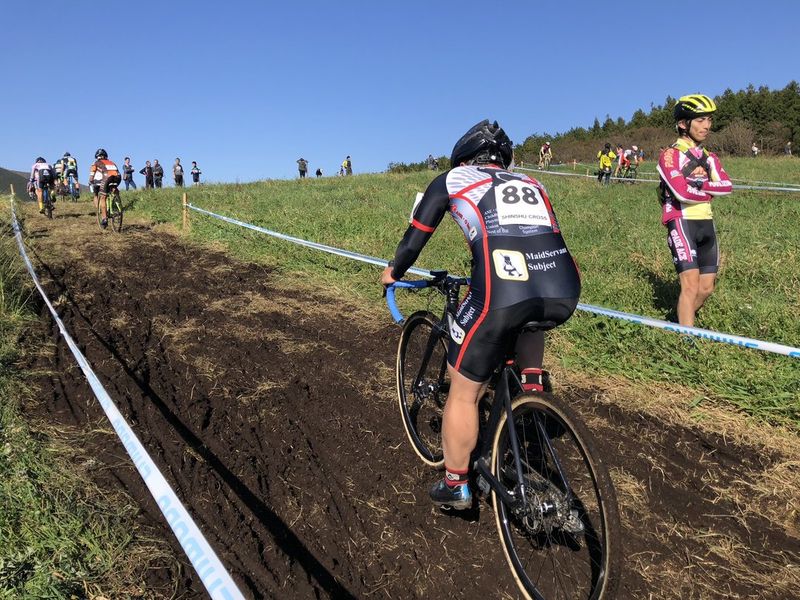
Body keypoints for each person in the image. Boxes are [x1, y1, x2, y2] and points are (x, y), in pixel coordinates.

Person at [380, 119, 581, 509]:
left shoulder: (453, 179)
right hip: (562, 286)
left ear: (464, 159)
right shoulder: (532, 182)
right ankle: (530, 392)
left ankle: (456, 484)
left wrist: (393, 271)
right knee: (527, 312)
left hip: (502, 287)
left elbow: (415, 237)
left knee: (464, 388)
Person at [656, 94, 732, 327]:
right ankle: (686, 340)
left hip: (706, 223)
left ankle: (679, 321)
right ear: (683, 124)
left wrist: (699, 186)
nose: (707, 126)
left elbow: (727, 186)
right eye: (700, 120)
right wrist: (709, 190)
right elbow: (681, 193)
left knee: (706, 288)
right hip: (681, 221)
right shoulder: (670, 155)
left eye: (709, 119)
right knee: (689, 286)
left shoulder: (709, 157)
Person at [88, 149, 121, 229]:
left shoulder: (96, 163)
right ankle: (117, 203)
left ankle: (104, 218)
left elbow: (91, 176)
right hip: (118, 177)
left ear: (97, 157)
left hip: (107, 178)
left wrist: (91, 181)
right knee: (114, 189)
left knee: (103, 197)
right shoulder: (112, 162)